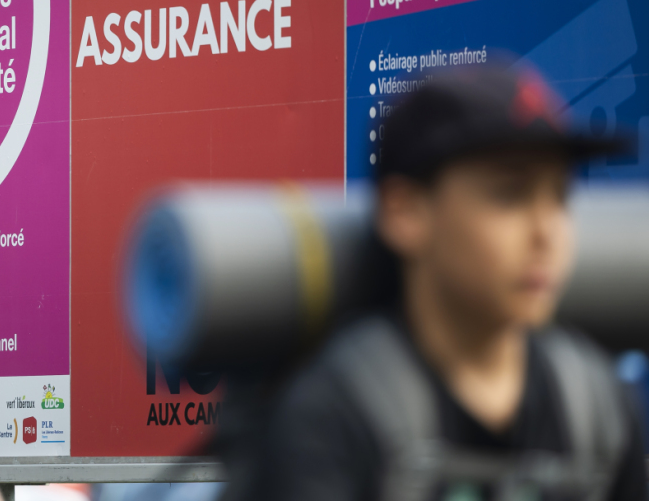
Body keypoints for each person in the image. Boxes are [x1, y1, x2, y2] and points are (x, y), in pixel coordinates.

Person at [262, 65, 647, 501]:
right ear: (404, 212)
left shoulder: (597, 408)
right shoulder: (335, 415)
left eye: (559, 197)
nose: (547, 234)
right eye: (510, 194)